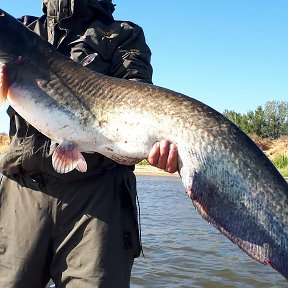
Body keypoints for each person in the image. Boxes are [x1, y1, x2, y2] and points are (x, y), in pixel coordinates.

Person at [0, 1, 178, 287]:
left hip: (99, 199)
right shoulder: (22, 29)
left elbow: (139, 93)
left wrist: (155, 145)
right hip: (23, 190)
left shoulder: (122, 35)